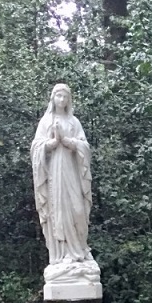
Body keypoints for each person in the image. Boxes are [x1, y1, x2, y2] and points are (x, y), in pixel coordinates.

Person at [31, 84, 97, 280]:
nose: (61, 100)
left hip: (72, 171)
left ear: (69, 100)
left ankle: (79, 251)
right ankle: (62, 255)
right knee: (58, 210)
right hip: (54, 173)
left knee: (77, 209)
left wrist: (71, 142)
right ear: (53, 98)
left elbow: (85, 146)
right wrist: (49, 145)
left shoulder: (74, 122)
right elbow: (36, 147)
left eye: (65, 97)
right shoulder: (46, 121)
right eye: (58, 96)